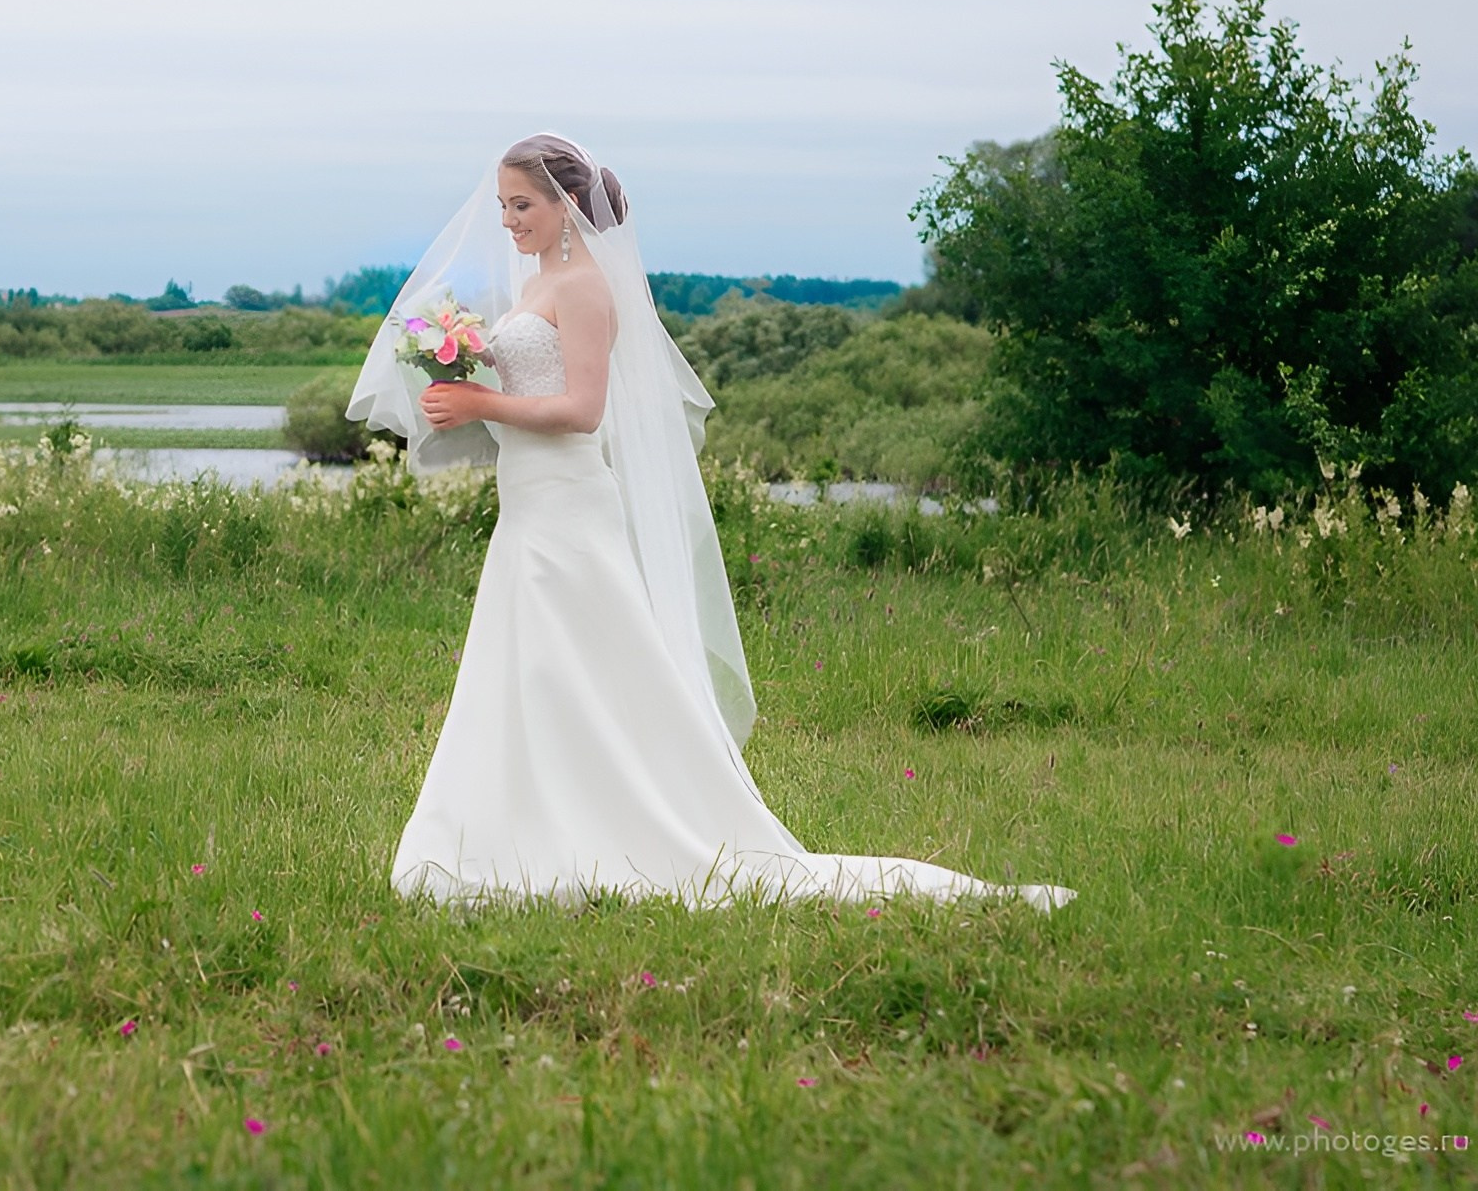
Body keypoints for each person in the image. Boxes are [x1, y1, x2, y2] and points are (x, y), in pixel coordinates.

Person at [347, 134, 1074, 911]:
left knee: (576, 671)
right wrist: (456, 359)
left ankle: (608, 831)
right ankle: (515, 831)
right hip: (526, 506)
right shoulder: (536, 285)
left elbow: (583, 410)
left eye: (521, 204)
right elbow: (533, 380)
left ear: (568, 204)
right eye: (502, 205)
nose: (507, 221)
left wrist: (479, 401)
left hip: (568, 507)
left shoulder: (585, 287)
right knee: (527, 674)